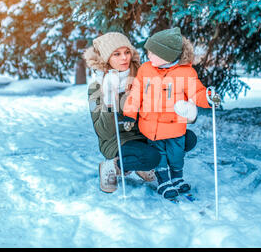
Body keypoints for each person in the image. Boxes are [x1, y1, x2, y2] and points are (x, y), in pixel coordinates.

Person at [83, 32, 199, 194]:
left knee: (187, 139)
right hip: (118, 139)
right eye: (117, 54)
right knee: (151, 157)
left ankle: (144, 164)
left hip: (146, 132)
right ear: (105, 58)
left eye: (127, 52)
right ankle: (112, 166)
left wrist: (188, 109)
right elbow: (103, 132)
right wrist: (110, 100)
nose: (124, 58)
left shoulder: (142, 74)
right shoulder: (96, 87)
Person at [123, 27, 221, 199]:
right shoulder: (146, 69)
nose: (148, 56)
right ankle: (164, 182)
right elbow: (136, 93)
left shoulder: (186, 73)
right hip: (151, 126)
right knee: (159, 155)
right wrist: (130, 113)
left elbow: (196, 92)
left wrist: (208, 98)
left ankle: (177, 178)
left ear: (167, 55)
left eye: (153, 53)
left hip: (175, 126)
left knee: (177, 155)